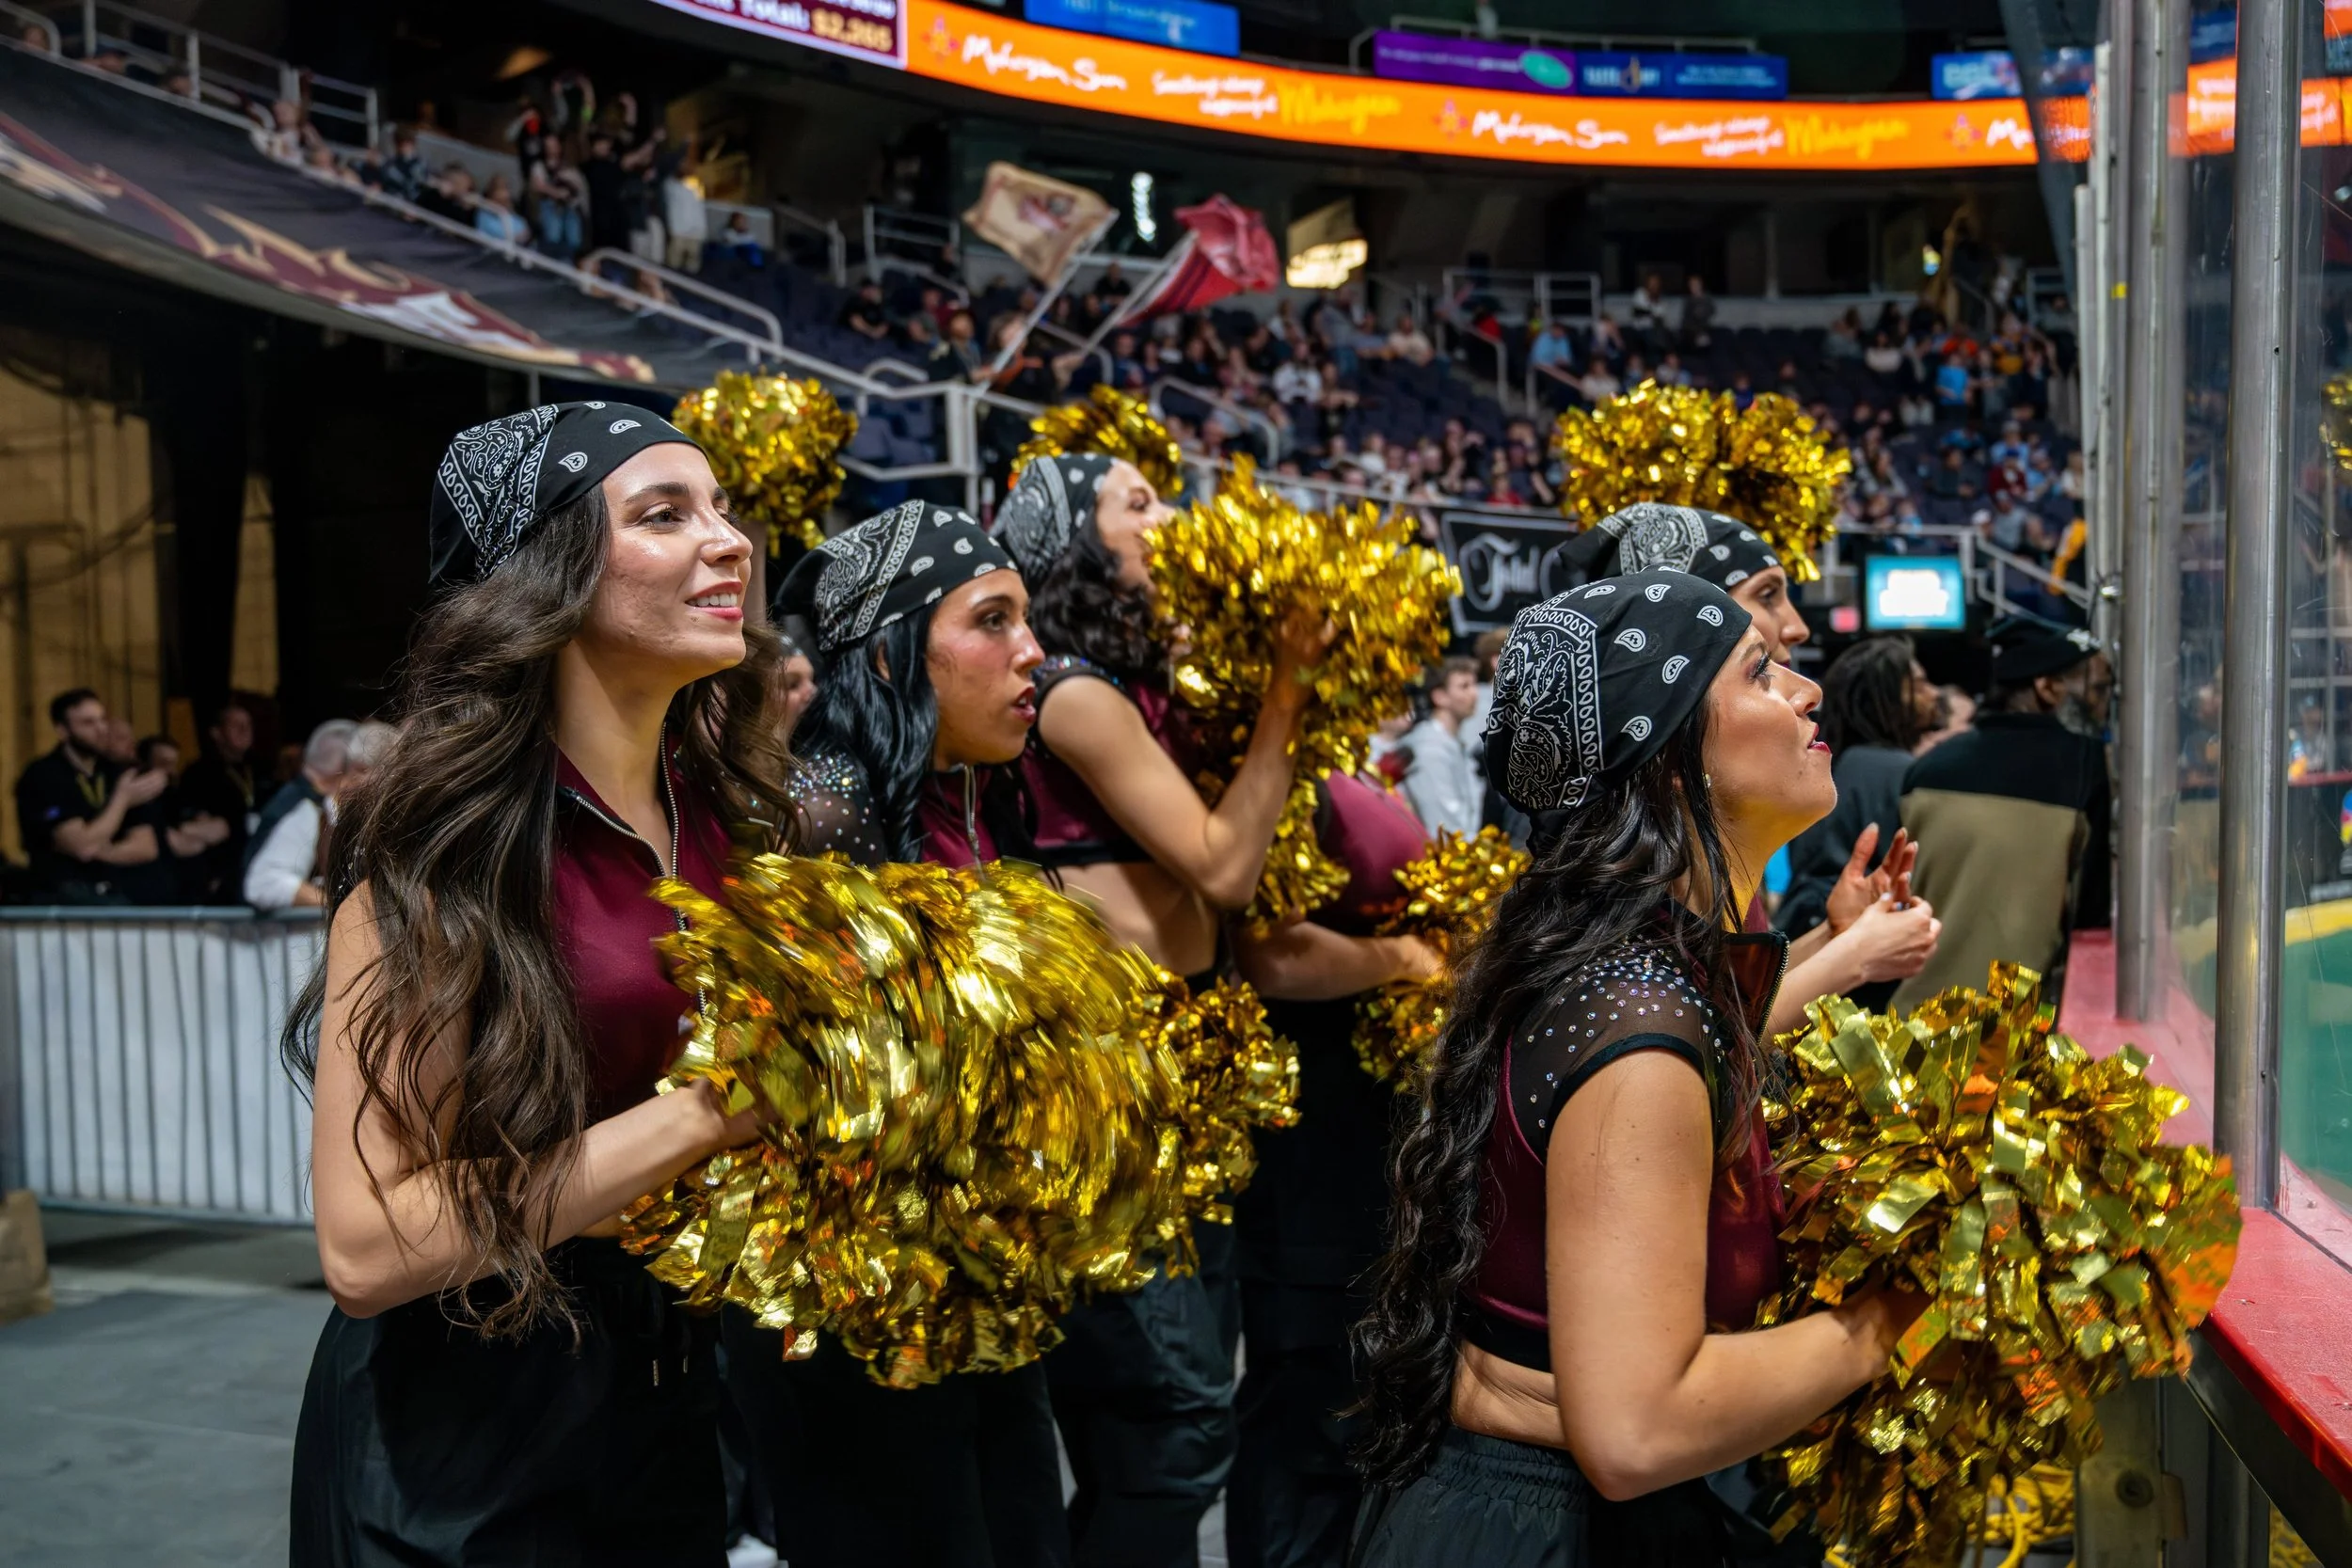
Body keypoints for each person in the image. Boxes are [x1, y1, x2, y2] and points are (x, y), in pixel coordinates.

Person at [286, 401, 793, 1565]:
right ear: (545, 577)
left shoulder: (724, 824)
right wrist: (720, 1107)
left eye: (720, 508)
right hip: (463, 1443)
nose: (730, 541)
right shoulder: (447, 853)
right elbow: (367, 1246)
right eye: (666, 514)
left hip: (669, 1399)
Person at [1351, 574, 1927, 1563]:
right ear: (1667, 767)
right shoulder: (1642, 1026)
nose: (1806, 691)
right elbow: (1634, 1430)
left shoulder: (1654, 969)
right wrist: (1906, 1303)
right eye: (1760, 672)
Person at [993, 451, 1331, 1565]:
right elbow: (1223, 866)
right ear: (1073, 543)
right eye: (1134, 502)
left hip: (1184, 1069)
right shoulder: (1075, 691)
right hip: (1111, 1086)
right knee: (1176, 1421)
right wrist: (1286, 685)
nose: (1168, 515)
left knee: (1172, 1410)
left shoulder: (1130, 679)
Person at [733, 501, 1069, 1567]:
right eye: (992, 619)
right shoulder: (820, 807)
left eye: (1027, 617)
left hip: (970, 1294)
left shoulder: (965, 796)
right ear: (889, 654)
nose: (1033, 650)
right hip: (859, 1323)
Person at [1563, 503, 1940, 1034]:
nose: (1800, 627)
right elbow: (1688, 1038)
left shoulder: (1696, 844)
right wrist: (1852, 955)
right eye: (1766, 594)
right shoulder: (1628, 890)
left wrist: (1834, 936)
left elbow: (1724, 1008)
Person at [1226, 770, 1439, 1566]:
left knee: (1345, 1397)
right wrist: (1406, 956)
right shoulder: (1280, 763)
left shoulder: (1337, 755)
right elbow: (1270, 955)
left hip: (1361, 1128)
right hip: (1310, 1127)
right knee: (1307, 1402)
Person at [1896, 618, 2112, 1007]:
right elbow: (2092, 922)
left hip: (1909, 1024)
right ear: (2047, 688)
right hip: (2008, 1035)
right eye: (2098, 689)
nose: (2104, 706)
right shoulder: (2087, 767)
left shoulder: (1926, 769)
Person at [1773, 636, 1940, 989]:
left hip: (1806, 931)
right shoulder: (1895, 769)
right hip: (1857, 939)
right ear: (1888, 697)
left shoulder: (1833, 762)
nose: (1933, 693)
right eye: (1920, 683)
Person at [13, 689, 167, 903]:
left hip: (112, 891)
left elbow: (146, 848)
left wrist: (98, 849)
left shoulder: (116, 772)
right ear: (62, 731)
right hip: (60, 897)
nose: (101, 729)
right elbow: (81, 846)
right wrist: (122, 800)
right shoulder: (44, 775)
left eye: (102, 720)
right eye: (88, 723)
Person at [243, 720, 358, 911]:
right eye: (360, 769)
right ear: (341, 765)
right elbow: (263, 883)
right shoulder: (304, 808)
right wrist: (340, 908)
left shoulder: (298, 798)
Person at [134, 734, 235, 902]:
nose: (171, 772)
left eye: (174, 764)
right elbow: (176, 844)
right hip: (162, 894)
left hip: (200, 893)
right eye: (164, 764)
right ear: (144, 764)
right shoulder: (139, 804)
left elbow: (221, 829)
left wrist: (182, 830)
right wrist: (194, 835)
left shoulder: (181, 794)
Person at [1400, 657, 1484, 838]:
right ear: (1440, 697)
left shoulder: (1451, 743)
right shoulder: (1429, 749)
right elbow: (1443, 828)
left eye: (1474, 684)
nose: (1474, 693)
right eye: (1464, 686)